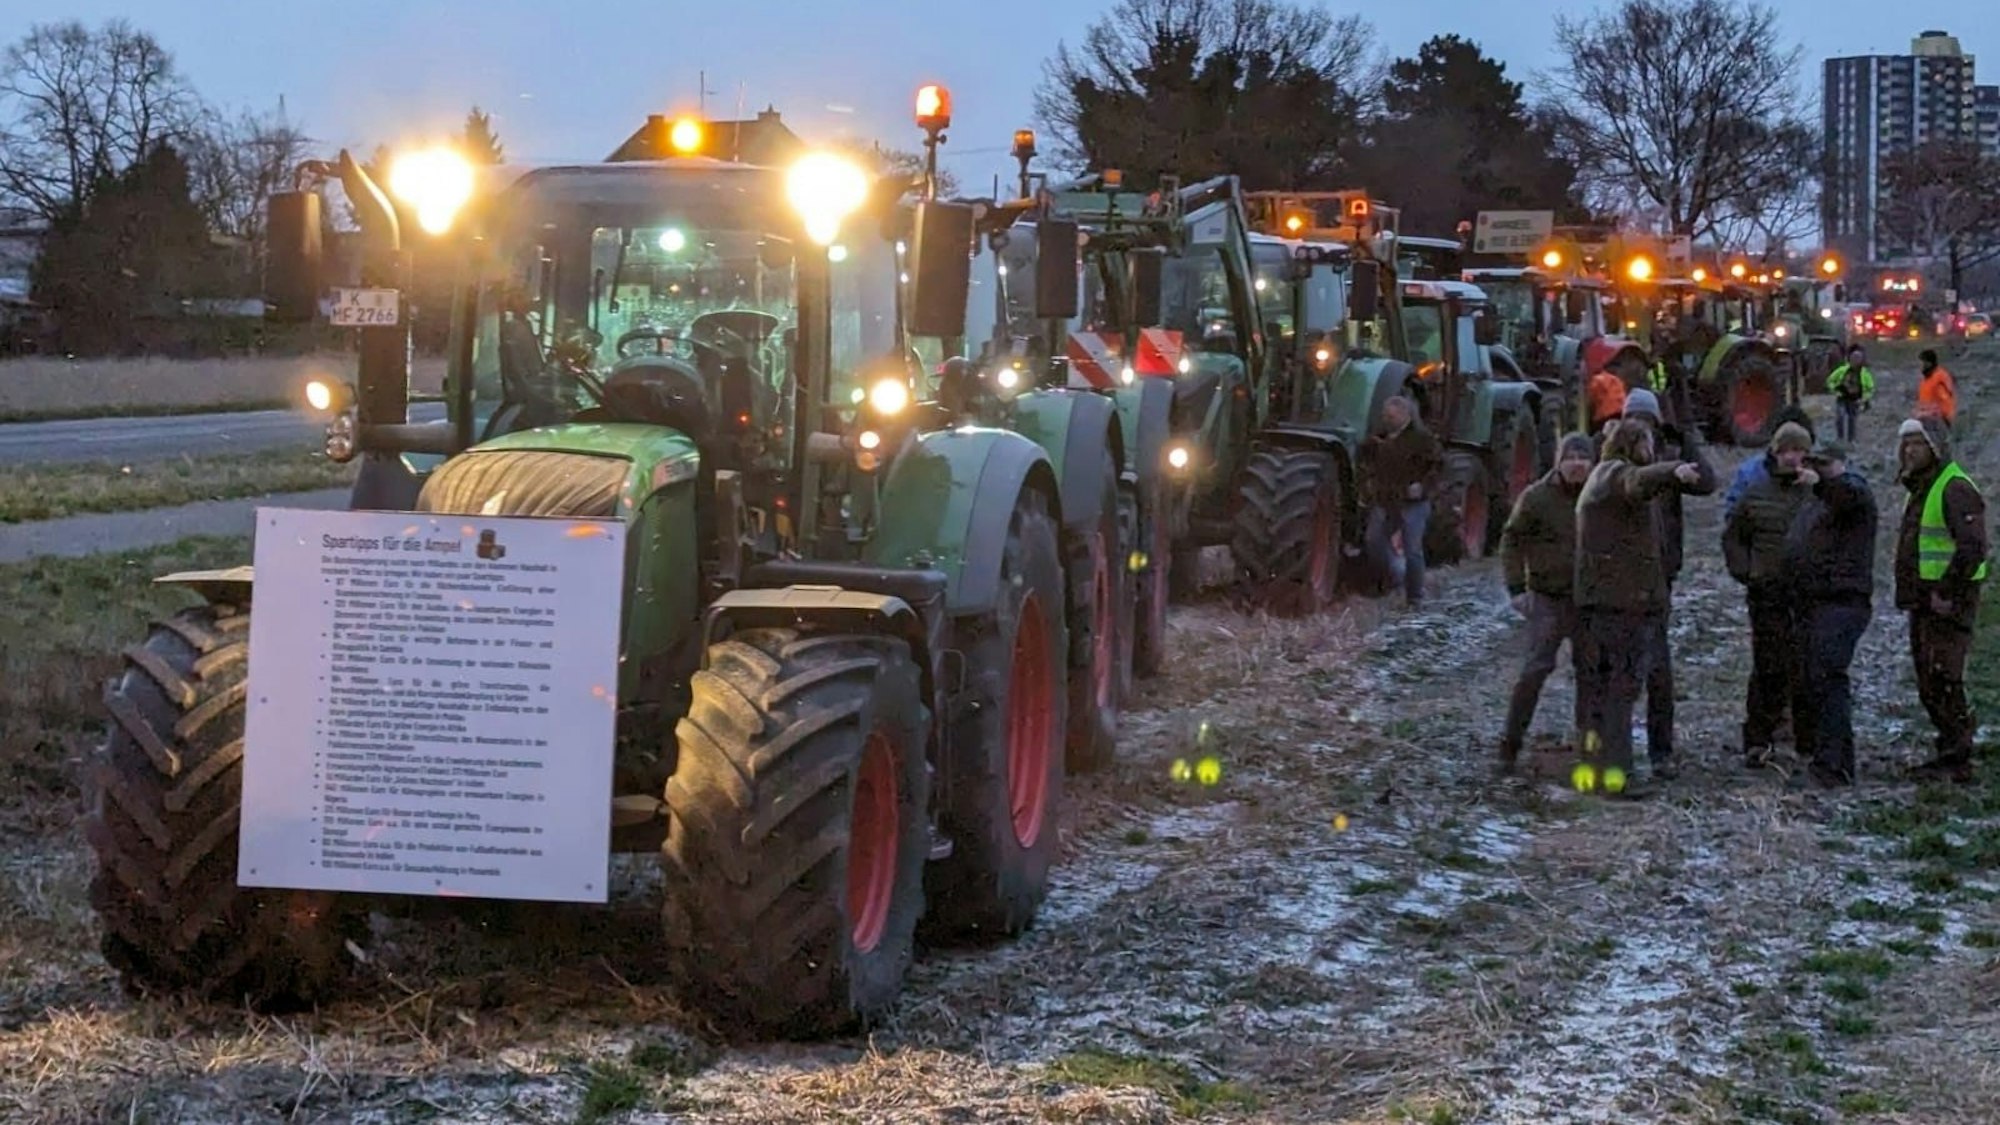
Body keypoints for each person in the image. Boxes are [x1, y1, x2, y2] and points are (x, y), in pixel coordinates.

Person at [1574, 413, 1706, 798]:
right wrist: (1674, 470)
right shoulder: (1616, 476)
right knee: (1620, 691)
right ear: (1635, 446)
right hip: (1622, 605)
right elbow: (1637, 481)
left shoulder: (1600, 478)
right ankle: (1617, 777)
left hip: (1606, 603)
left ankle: (1596, 770)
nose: (1652, 451)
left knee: (1601, 691)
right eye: (1647, 444)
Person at [1624, 384, 1717, 777]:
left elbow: (1707, 482)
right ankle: (1615, 751)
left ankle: (1661, 751)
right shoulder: (1611, 459)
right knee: (1619, 671)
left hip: (1660, 575)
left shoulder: (1672, 452)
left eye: (1648, 420)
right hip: (1619, 577)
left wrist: (1687, 439)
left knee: (1658, 667)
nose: (1641, 428)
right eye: (1635, 420)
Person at [1894, 415, 1990, 782]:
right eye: (1906, 443)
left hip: (1948, 601)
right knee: (1929, 678)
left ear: (1935, 446)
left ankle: (1959, 755)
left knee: (1944, 675)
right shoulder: (1923, 486)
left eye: (1917, 443)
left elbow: (1973, 547)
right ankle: (1950, 747)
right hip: (1927, 600)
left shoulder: (1954, 488)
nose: (1909, 450)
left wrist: (1947, 591)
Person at [1497, 432, 1596, 772]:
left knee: (1591, 674)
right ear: (1559, 461)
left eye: (1584, 459)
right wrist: (1516, 589)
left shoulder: (1599, 497)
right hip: (1548, 598)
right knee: (1534, 671)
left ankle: (1589, 748)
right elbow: (1511, 539)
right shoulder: (1537, 497)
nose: (1577, 465)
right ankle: (1509, 745)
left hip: (1589, 601)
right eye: (1571, 458)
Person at [1723, 421, 1818, 768]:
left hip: (1807, 594)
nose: (1793, 458)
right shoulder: (1757, 492)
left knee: (1805, 666)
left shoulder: (1817, 493)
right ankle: (1758, 739)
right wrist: (1746, 572)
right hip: (1767, 592)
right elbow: (1733, 535)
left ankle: (1806, 741)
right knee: (1767, 666)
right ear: (1775, 453)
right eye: (1787, 450)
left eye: (1800, 451)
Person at [1784, 439, 1877, 787]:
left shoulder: (1852, 492)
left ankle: (1835, 766)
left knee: (1827, 677)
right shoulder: (1819, 500)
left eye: (1822, 463)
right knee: (1811, 679)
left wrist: (1822, 481)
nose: (1812, 470)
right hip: (1813, 601)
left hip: (1841, 600)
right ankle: (1821, 757)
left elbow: (1846, 496)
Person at [1359, 395, 1443, 608]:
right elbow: (1365, 461)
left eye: (1391, 416)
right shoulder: (1378, 438)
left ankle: (1414, 596)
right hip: (1385, 499)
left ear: (1405, 415)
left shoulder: (1422, 439)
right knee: (1374, 541)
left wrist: (1422, 486)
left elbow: (1438, 467)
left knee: (1412, 548)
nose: (1386, 419)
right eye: (1385, 415)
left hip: (1413, 502)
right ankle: (1396, 576)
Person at [1723, 403, 1817, 521]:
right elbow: (1732, 517)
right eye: (1784, 449)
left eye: (1797, 449)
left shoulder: (1822, 472)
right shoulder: (1751, 472)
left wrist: (1818, 488)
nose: (1789, 456)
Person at [1825, 344, 1876, 442]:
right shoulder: (1842, 370)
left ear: (1861, 360)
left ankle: (1850, 440)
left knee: (1852, 420)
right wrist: (1835, 391)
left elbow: (1870, 389)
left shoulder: (1865, 374)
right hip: (1842, 398)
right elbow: (1830, 381)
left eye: (1858, 358)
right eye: (1854, 358)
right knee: (1840, 417)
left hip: (1855, 400)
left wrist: (1864, 399)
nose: (1855, 360)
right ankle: (1839, 438)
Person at [1916, 348, 1958, 429]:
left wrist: (1943, 417)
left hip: (1939, 421)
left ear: (1928, 363)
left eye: (1922, 363)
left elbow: (1946, 402)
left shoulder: (1939, 378)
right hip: (1928, 418)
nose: (1920, 366)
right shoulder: (1926, 380)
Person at [1586, 367, 1628, 436]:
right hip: (1620, 411)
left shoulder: (1595, 381)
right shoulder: (1615, 379)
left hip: (1605, 415)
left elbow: (1591, 400)